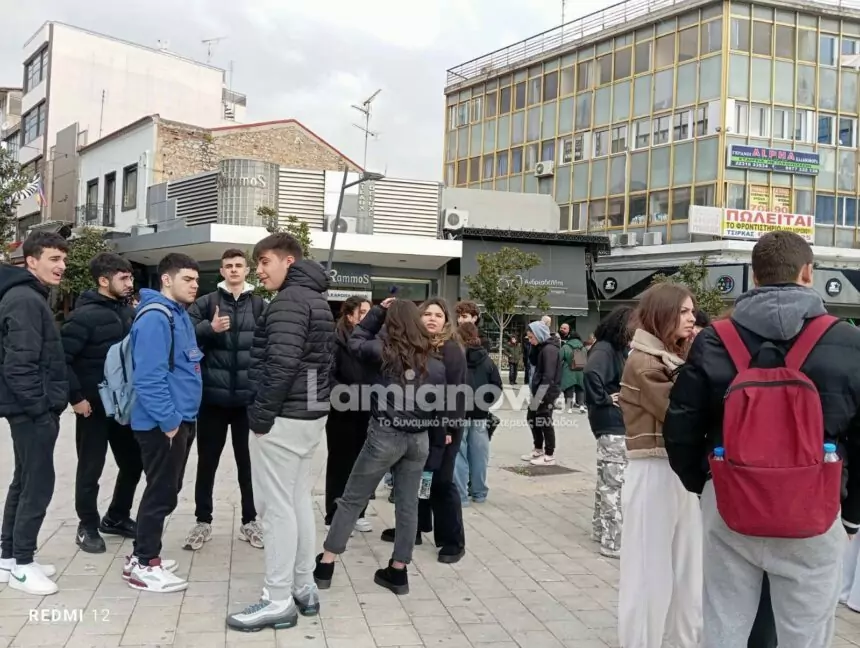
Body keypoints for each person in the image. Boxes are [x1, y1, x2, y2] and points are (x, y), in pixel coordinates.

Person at [664, 231, 860, 647]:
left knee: (723, 628)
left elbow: (680, 426)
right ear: (808, 272)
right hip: (815, 506)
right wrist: (853, 514)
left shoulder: (715, 339)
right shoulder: (848, 341)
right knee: (806, 635)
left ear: (754, 277)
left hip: (730, 502)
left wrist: (707, 485)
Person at [226, 233, 334, 632]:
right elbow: (317, 368)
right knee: (297, 501)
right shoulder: (317, 300)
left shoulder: (289, 301)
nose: (259, 270)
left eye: (264, 261)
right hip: (307, 416)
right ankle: (304, 587)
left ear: (289, 261)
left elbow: (283, 364)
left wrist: (261, 416)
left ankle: (277, 599)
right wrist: (311, 408)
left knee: (275, 510)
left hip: (285, 419)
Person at [313, 299, 446, 595]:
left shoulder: (383, 353)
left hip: (385, 435)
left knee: (351, 499)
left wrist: (377, 312)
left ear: (391, 323)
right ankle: (398, 571)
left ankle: (326, 564)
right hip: (419, 439)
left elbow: (356, 340)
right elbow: (440, 409)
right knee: (408, 505)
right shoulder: (436, 363)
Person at [616, 284, 701, 648]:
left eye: (692, 311)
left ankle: (682, 640)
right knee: (649, 570)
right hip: (653, 468)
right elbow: (678, 414)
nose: (692, 318)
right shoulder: (645, 361)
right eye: (683, 311)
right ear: (663, 313)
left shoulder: (670, 357)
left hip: (678, 470)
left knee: (687, 569)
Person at [125, 253, 203, 593]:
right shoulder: (157, 318)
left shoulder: (177, 314)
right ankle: (146, 564)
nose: (195, 285)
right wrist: (170, 421)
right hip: (164, 423)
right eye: (187, 279)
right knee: (161, 493)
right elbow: (148, 378)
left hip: (180, 419)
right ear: (167, 280)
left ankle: (138, 557)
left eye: (196, 280)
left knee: (166, 490)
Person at [182, 249, 266, 552]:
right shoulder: (206, 303)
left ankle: (250, 521)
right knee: (207, 463)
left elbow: (268, 348)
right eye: (228, 265)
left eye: (238, 265)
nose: (233, 270)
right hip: (212, 400)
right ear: (221, 271)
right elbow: (184, 338)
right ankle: (202, 521)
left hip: (247, 401)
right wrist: (210, 328)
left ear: (247, 270)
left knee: (248, 465)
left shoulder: (260, 305)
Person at [0, 232, 68, 596]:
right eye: (54, 259)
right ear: (31, 261)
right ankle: (23, 566)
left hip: (26, 409)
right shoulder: (25, 299)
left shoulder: (28, 295)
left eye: (63, 259)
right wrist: (41, 409)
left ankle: (9, 558)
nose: (62, 266)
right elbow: (19, 365)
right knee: (38, 484)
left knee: (24, 480)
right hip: (30, 411)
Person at [61, 252, 141, 554]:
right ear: (104, 281)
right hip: (92, 408)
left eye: (130, 277)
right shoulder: (82, 317)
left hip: (124, 407)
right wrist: (76, 398)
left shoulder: (130, 313)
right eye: (124, 278)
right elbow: (62, 359)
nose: (129, 283)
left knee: (133, 463)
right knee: (90, 469)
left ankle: (116, 517)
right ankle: (88, 526)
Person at [583, 306, 633, 559]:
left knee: (607, 480)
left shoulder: (609, 348)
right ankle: (613, 541)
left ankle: (601, 530)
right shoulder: (605, 349)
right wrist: (604, 398)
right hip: (612, 424)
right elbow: (590, 373)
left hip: (609, 424)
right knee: (614, 484)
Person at [324, 296, 373, 534]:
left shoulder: (372, 341)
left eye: (369, 312)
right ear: (349, 315)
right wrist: (345, 395)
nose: (366, 316)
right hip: (342, 412)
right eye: (362, 312)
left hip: (367, 410)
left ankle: (358, 513)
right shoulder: (336, 340)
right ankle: (334, 515)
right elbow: (327, 374)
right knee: (340, 465)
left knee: (363, 465)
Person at [453, 322, 502, 505]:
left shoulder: (455, 357)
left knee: (459, 454)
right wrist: (485, 403)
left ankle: (461, 495)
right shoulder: (487, 360)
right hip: (480, 414)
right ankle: (479, 492)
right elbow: (497, 386)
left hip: (459, 413)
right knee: (480, 454)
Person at [521, 320, 562, 466]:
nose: (530, 340)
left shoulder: (549, 350)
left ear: (539, 335)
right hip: (540, 390)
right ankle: (538, 448)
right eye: (529, 338)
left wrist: (541, 394)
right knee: (532, 417)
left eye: (531, 337)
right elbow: (532, 361)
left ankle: (549, 454)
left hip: (547, 391)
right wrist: (534, 346)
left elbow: (548, 375)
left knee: (544, 420)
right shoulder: (542, 348)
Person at [559, 325, 587, 413]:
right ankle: (581, 405)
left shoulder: (565, 347)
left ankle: (569, 408)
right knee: (580, 388)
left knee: (569, 388)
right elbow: (585, 358)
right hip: (580, 370)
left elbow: (559, 358)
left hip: (568, 371)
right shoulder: (583, 347)